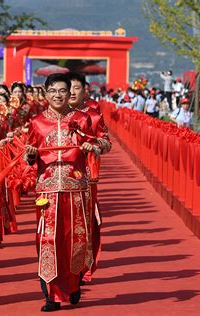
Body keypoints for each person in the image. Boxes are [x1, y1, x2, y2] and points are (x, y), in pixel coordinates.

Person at [25, 73, 98, 312]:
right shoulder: (37, 122)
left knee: (74, 238)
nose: (58, 95)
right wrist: (31, 156)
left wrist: (93, 146)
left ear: (70, 94)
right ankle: (51, 295)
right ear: (46, 94)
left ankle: (74, 283)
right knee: (47, 240)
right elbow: (30, 155)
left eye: (62, 91)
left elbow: (104, 143)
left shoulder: (82, 118)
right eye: (53, 91)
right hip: (48, 191)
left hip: (76, 188)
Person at [67, 72, 111, 284]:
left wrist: (95, 147)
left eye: (77, 88)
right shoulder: (56, 117)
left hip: (87, 177)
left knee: (85, 222)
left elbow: (107, 143)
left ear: (85, 91)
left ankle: (84, 266)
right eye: (69, 88)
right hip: (60, 178)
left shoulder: (93, 116)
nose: (72, 92)